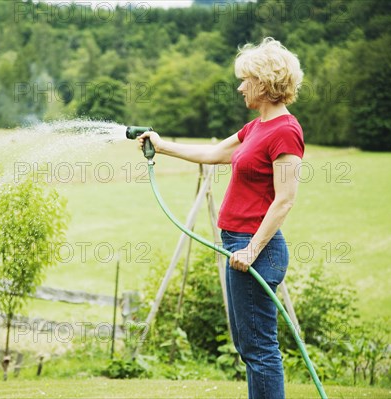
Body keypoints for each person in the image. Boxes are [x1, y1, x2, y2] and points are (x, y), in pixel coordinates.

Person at [138, 37, 304, 399]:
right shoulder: (256, 127)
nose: (241, 86)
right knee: (250, 349)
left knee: (259, 350)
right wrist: (162, 146)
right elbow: (214, 153)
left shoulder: (286, 131)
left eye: (246, 79)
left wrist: (252, 250)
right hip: (238, 244)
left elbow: (285, 201)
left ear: (264, 82)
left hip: (255, 249)